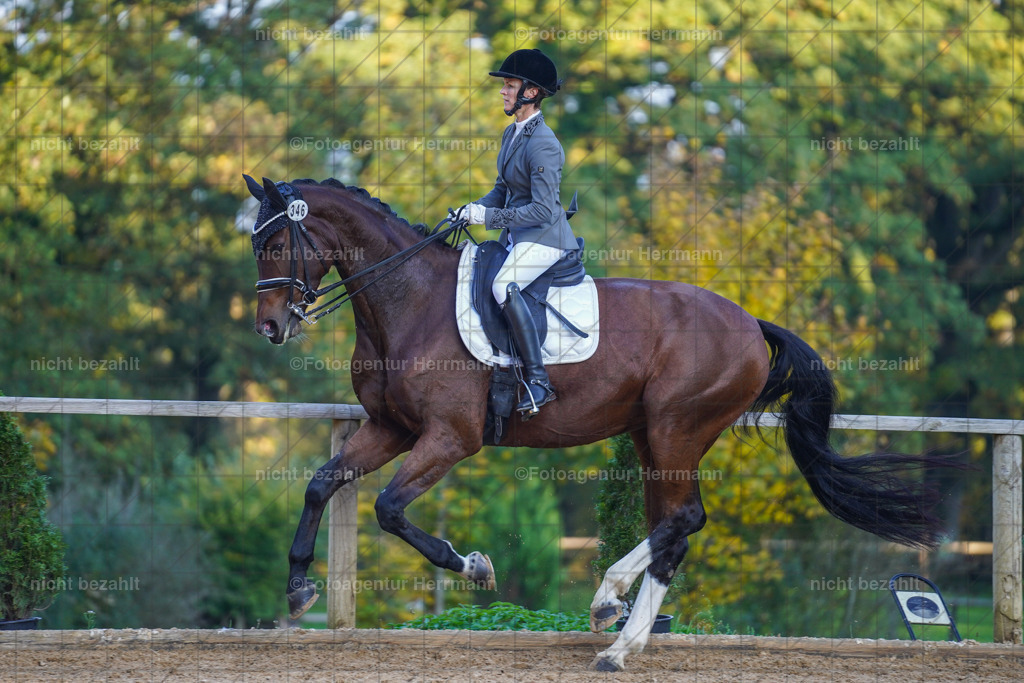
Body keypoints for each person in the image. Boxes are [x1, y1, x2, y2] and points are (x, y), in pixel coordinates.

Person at [458, 48, 579, 419]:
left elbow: (543, 210)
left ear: (530, 92)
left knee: (502, 286)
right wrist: (472, 209)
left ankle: (539, 379)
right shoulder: (513, 133)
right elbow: (501, 188)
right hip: (519, 235)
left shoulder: (544, 143)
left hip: (545, 237)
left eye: (509, 86)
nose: (503, 92)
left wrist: (490, 216)